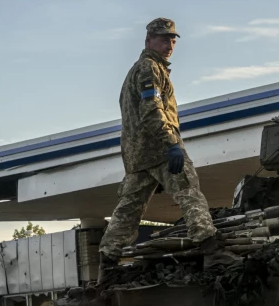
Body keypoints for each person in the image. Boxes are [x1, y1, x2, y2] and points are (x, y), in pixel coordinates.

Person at [97, 17, 237, 283]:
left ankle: (107, 266)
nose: (169, 44)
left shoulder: (137, 70)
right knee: (188, 192)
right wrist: (171, 144)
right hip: (159, 148)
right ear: (149, 40)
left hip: (138, 155)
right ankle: (211, 250)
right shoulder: (150, 68)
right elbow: (152, 111)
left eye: (172, 39)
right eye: (163, 39)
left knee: (128, 209)